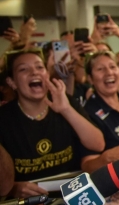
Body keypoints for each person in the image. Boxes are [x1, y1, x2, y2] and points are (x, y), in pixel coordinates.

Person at [0, 49, 105, 197]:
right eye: (24, 69)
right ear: (12, 82)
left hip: (77, 195)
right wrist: (14, 188)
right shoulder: (4, 118)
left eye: (39, 67)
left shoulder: (66, 102)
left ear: (47, 75)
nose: (34, 72)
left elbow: (98, 144)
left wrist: (66, 109)